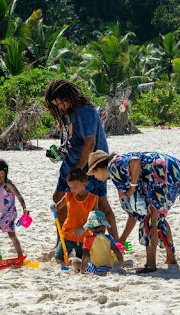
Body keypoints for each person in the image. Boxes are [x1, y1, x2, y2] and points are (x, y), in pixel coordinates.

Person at [88, 150, 180, 274]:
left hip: (159, 170)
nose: (95, 177)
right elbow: (133, 215)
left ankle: (150, 265)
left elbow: (135, 161)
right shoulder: (119, 174)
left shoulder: (113, 165)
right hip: (168, 168)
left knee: (151, 219)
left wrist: (133, 187)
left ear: (100, 167)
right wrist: (121, 240)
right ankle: (171, 259)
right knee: (158, 218)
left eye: (94, 173)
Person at [45, 79, 118, 245]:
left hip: (90, 167)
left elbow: (89, 142)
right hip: (71, 165)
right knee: (59, 199)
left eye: (62, 101)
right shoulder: (69, 113)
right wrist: (60, 151)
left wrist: (78, 170)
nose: (60, 106)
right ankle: (62, 242)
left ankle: (114, 244)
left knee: (99, 205)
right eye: (57, 104)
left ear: (70, 95)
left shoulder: (85, 111)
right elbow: (74, 140)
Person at [50, 169, 99, 264]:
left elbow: (95, 218)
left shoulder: (93, 199)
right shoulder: (68, 196)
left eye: (75, 187)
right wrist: (53, 207)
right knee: (58, 258)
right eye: (70, 187)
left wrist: (84, 228)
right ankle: (69, 256)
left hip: (84, 236)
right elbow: (57, 207)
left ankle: (74, 258)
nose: (72, 190)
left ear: (84, 184)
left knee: (82, 260)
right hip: (67, 233)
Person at [71, 211, 124, 275]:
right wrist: (122, 265)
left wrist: (82, 270)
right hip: (110, 267)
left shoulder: (88, 239)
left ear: (90, 228)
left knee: (74, 261)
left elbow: (86, 256)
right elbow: (117, 252)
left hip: (97, 269)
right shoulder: (109, 237)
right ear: (104, 226)